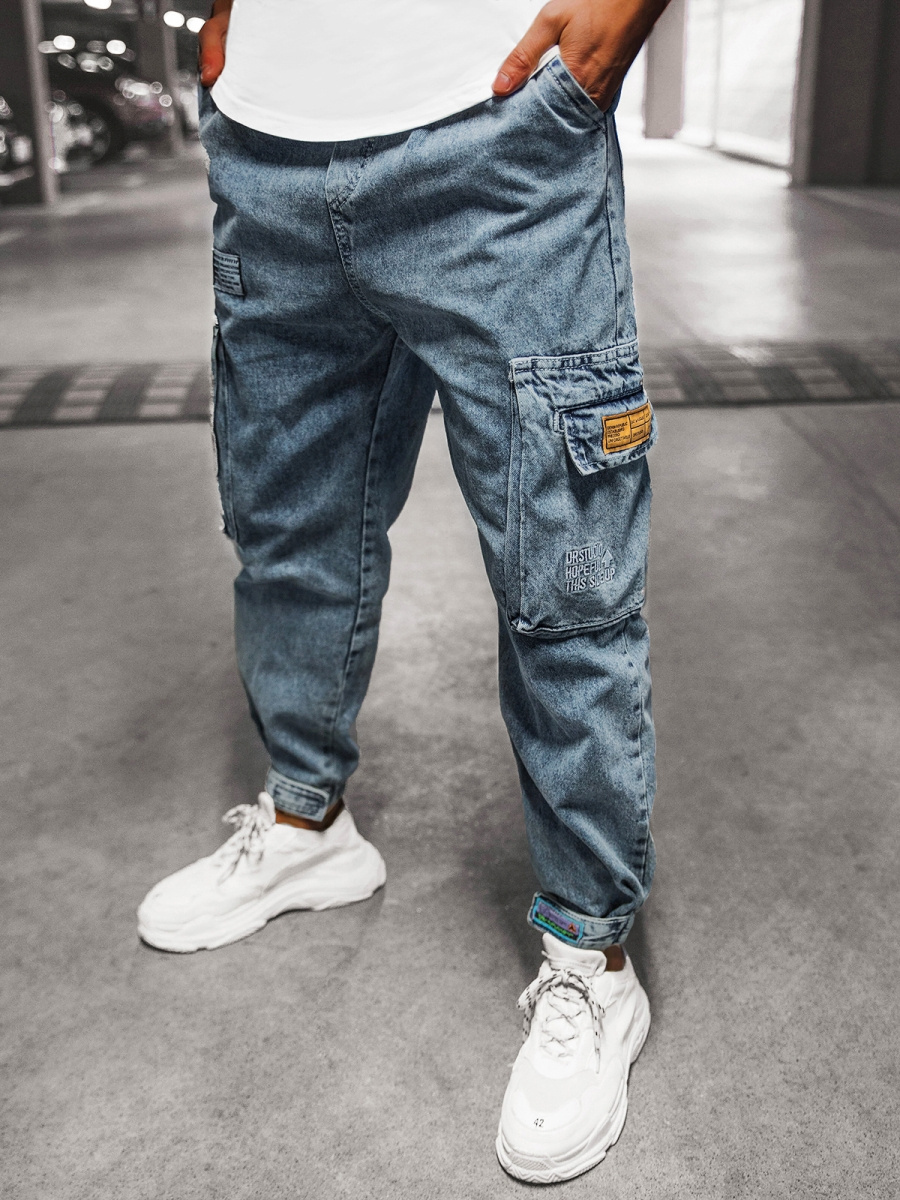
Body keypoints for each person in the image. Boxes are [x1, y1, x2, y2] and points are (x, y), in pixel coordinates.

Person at [138, 0, 670, 1183]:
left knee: (562, 584)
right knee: (286, 532)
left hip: (497, 129)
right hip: (268, 149)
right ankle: (305, 825)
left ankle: (591, 959)